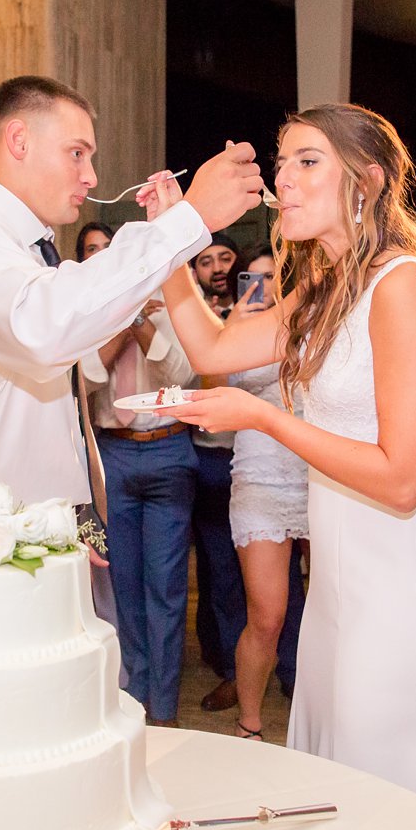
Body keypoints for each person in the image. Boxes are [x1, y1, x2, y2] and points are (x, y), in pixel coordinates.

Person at [153, 103, 416, 821]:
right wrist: (168, 241)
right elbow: (212, 352)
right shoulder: (329, 287)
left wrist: (266, 417)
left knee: (388, 792)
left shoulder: (404, 287)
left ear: (365, 181)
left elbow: (401, 480)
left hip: (403, 576)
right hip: (341, 577)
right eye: (282, 164)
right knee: (338, 769)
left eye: (308, 161)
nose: (286, 180)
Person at [0, 74, 261, 536]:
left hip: (32, 525)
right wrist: (188, 222)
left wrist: (78, 514)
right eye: (77, 153)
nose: (91, 177)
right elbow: (43, 330)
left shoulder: (27, 251)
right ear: (19, 140)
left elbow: (62, 373)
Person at [78, 240, 196, 727]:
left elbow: (184, 373)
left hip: (169, 451)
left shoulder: (168, 304)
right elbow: (82, 382)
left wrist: (143, 323)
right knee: (122, 585)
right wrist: (118, 325)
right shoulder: (85, 316)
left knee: (167, 588)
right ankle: (133, 696)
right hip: (115, 454)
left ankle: (163, 707)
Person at [223, 247, 309, 741]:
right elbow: (213, 381)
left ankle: (325, 722)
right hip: (260, 473)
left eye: (270, 276)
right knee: (268, 615)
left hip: (322, 470)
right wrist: (233, 327)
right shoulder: (239, 329)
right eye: (251, 279)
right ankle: (249, 725)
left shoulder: (317, 318)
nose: (261, 286)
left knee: (331, 609)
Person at [188, 231, 249, 715]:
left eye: (225, 258)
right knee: (218, 568)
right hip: (207, 457)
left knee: (271, 571)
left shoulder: (262, 316)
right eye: (205, 261)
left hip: (260, 455)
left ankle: (279, 665)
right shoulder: (196, 323)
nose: (217, 268)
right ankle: (226, 660)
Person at [192, 235, 238, 315]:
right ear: (194, 275)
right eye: (206, 263)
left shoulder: (261, 312)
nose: (217, 269)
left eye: (225, 259)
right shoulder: (187, 318)